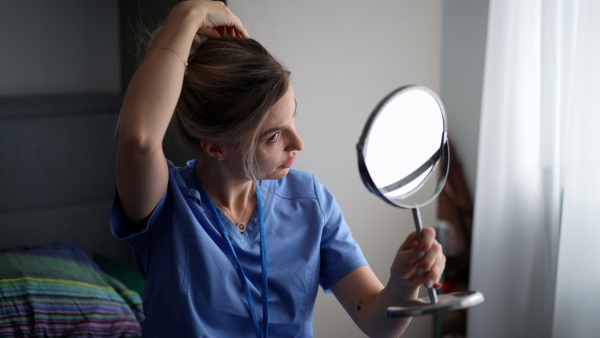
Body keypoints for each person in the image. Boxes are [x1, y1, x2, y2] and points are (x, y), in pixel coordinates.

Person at [111, 1, 445, 337]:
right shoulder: (165, 205)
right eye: (273, 136)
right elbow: (139, 138)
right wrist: (188, 15)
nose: (298, 143)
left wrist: (403, 285)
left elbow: (377, 322)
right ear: (215, 147)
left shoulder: (311, 202)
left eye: (293, 117)